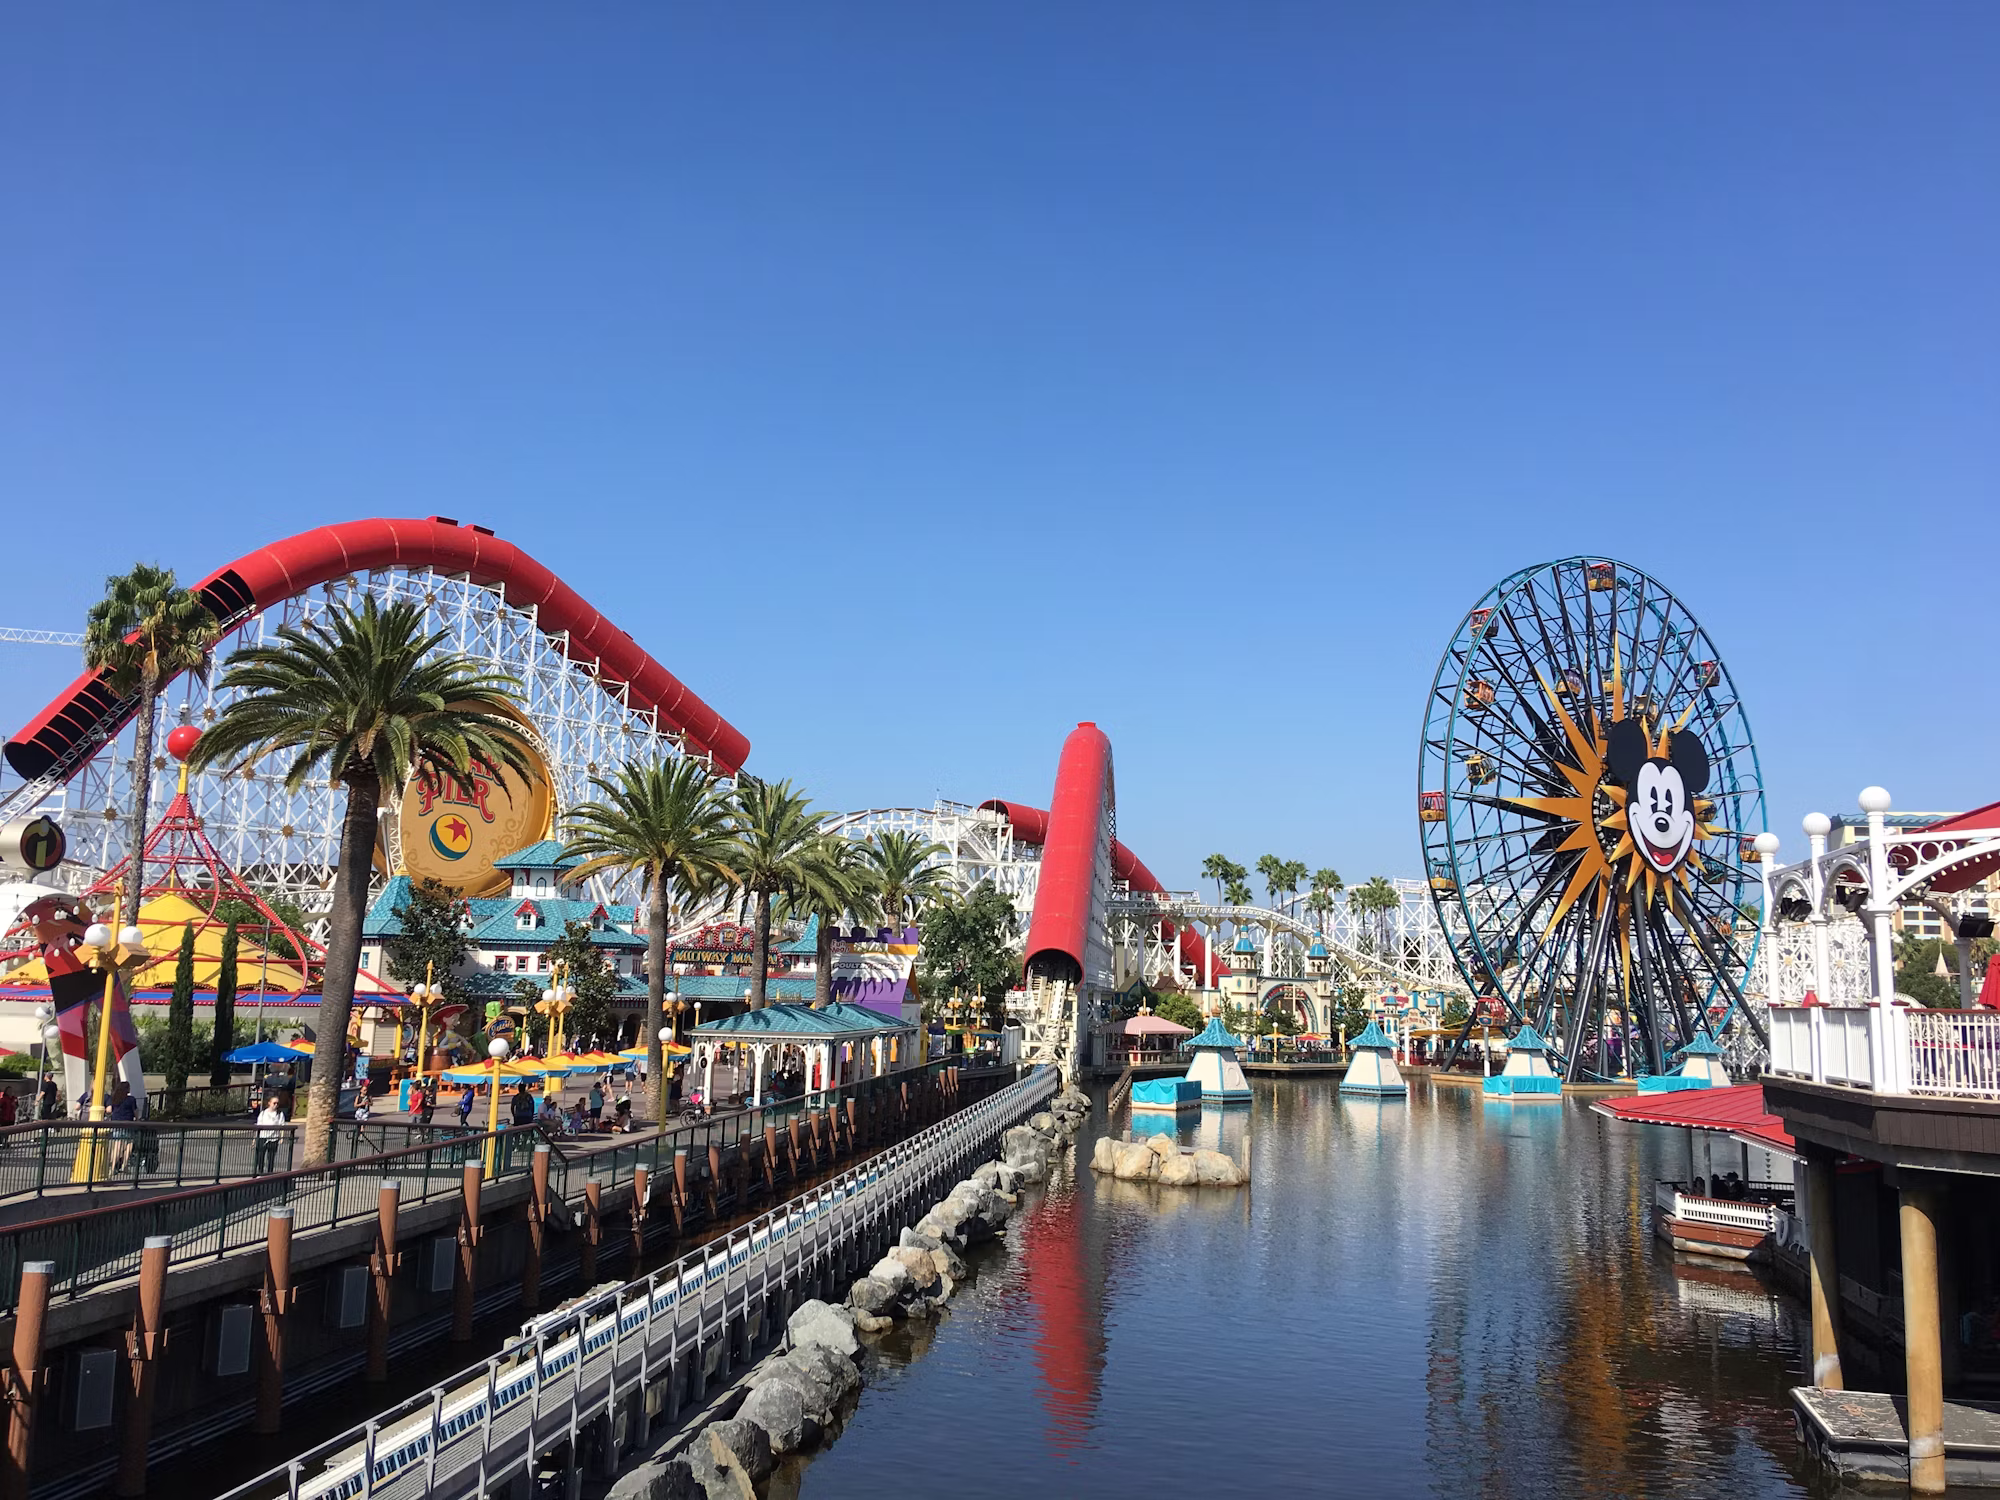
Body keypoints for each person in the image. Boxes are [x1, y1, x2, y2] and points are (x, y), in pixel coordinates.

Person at [107, 1082, 139, 1175]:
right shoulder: (131, 1099)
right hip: (128, 1123)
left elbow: (109, 1110)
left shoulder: (114, 1099)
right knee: (129, 1144)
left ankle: (112, 1168)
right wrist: (137, 1119)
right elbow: (135, 1112)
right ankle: (124, 1165)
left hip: (116, 1123)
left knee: (117, 1146)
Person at [255, 1094, 286, 1174]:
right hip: (263, 1137)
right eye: (274, 1103)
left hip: (274, 1138)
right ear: (269, 1103)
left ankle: (269, 1173)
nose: (276, 1105)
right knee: (260, 1156)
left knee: (271, 1157)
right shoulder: (263, 1113)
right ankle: (260, 1172)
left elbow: (282, 1126)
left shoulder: (280, 1114)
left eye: (277, 1103)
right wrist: (255, 1139)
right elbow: (258, 1126)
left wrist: (281, 1137)